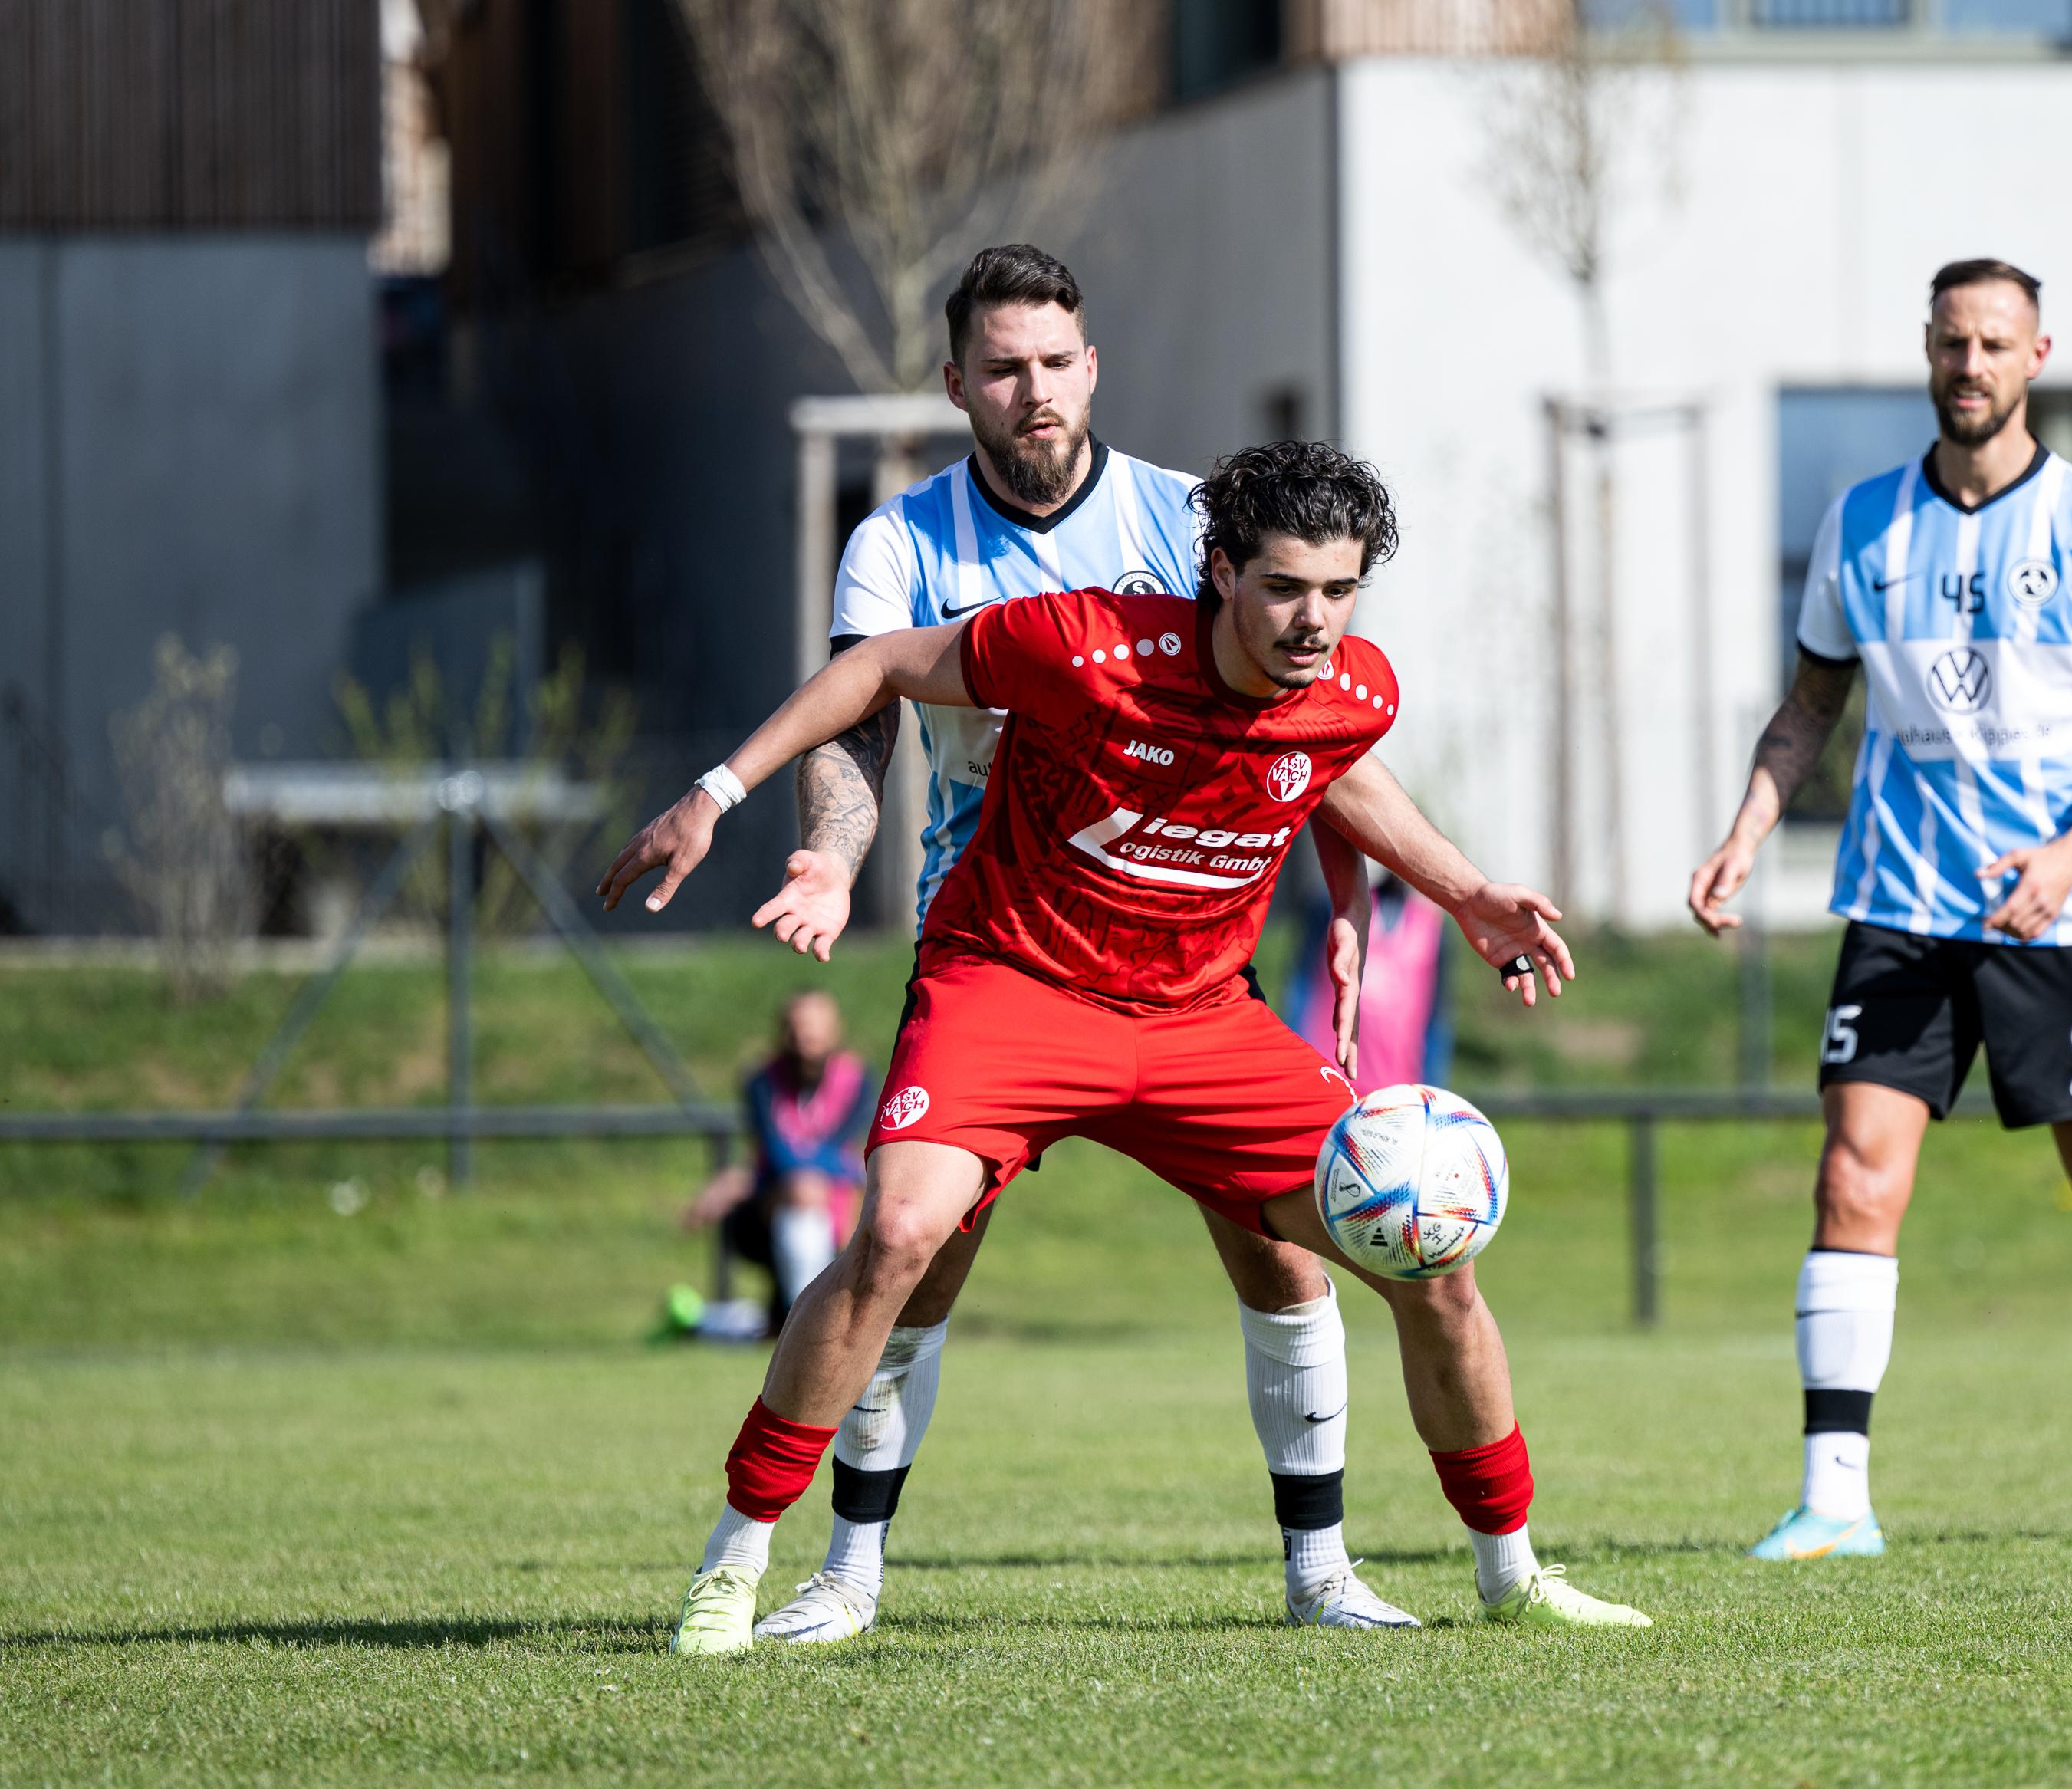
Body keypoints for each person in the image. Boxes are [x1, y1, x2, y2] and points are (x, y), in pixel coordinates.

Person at [602, 441, 1652, 1651]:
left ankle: (1511, 1571)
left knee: (1429, 1253)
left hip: (1202, 1018)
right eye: (1284, 589)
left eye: (1339, 590)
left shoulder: (1354, 684)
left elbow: (1338, 764)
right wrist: (719, 793)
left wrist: (1464, 892)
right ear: (1219, 571)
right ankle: (735, 1569)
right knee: (896, 1237)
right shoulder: (1085, 646)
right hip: (1013, 986)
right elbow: (884, 665)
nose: (1314, 621)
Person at [718, 246, 1396, 1640]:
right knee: (919, 1244)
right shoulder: (903, 541)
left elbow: (1305, 720)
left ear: (1092, 365)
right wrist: (831, 862)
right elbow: (864, 708)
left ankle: (1321, 1572)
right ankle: (848, 1570)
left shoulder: (1187, 519)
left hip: (1187, 949)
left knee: (1285, 1253)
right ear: (958, 381)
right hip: (998, 949)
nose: (1036, 390)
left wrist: (1348, 909)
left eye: (1057, 361)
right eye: (1005, 367)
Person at [1687, 258, 2072, 1561]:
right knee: (1853, 1176)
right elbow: (1812, 707)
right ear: (1926, 353)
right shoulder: (1864, 523)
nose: (1969, 364)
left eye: (1994, 342)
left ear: (2039, 355)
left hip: (2064, 917)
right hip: (1901, 908)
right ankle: (1835, 1497)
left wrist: (2069, 854)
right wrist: (1749, 828)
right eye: (1949, 342)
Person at [679, 990, 870, 1337]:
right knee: (801, 1192)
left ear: (834, 1031)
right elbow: (778, 1152)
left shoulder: (856, 1079)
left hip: (837, 1202)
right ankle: (807, 1325)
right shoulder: (761, 1081)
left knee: (818, 1192)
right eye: (795, 1027)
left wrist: (745, 1177)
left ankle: (804, 1320)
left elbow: (840, 1150)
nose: (803, 1038)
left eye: (814, 1027)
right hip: (770, 1205)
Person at [1286, 872, 1452, 1091]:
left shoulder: (1431, 926)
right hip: (1330, 1074)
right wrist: (1295, 1057)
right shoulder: (1337, 908)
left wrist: (1431, 1087)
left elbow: (1435, 1016)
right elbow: (1302, 986)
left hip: (1394, 1086)